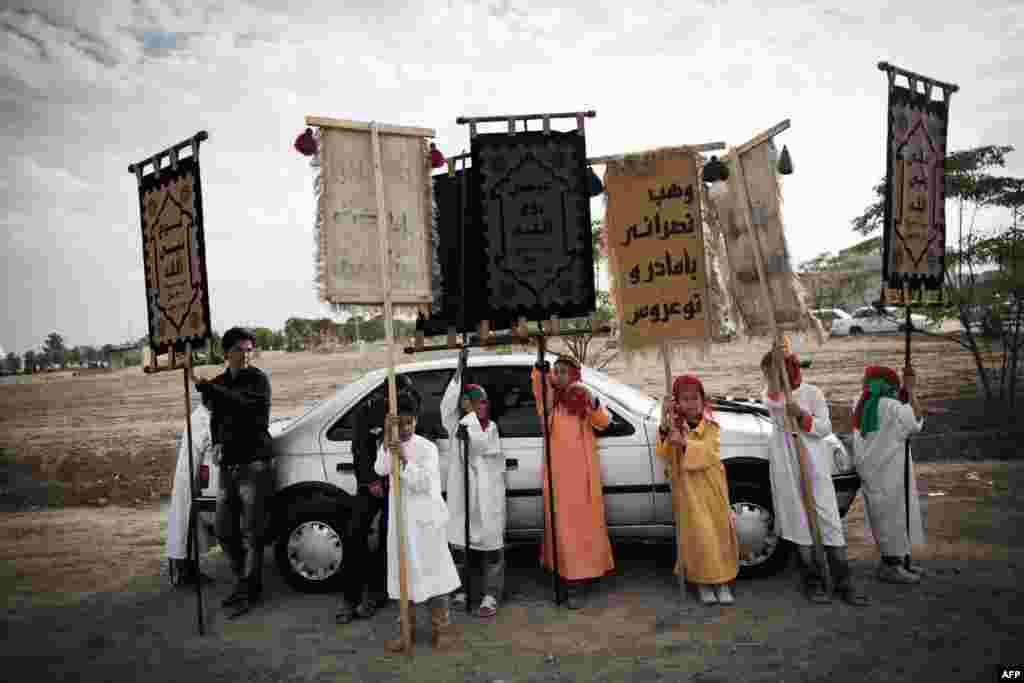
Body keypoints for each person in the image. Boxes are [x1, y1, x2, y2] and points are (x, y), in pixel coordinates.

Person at [760, 348, 868, 606]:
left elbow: (824, 427)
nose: (770, 377)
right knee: (799, 522)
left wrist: (802, 416)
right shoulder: (770, 394)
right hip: (787, 464)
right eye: (768, 373)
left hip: (814, 463)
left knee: (828, 519)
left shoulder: (813, 393)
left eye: (775, 371)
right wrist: (786, 400)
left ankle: (843, 581)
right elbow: (773, 400)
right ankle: (813, 580)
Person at [193, 327, 273, 619]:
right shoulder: (219, 383)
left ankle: (251, 591)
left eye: (251, 348)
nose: (247, 354)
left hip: (254, 463)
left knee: (253, 533)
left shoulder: (258, 380)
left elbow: (248, 409)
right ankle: (243, 581)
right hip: (228, 466)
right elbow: (216, 417)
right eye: (240, 349)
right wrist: (215, 443)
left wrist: (211, 389)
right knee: (225, 531)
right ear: (226, 353)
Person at [376, 390, 462, 653]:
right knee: (404, 576)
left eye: (409, 423)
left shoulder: (428, 448)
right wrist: (387, 445)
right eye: (398, 423)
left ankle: (443, 629)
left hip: (425, 521)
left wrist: (402, 459)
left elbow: (423, 482)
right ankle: (406, 632)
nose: (404, 428)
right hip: (401, 523)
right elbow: (380, 469)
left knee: (433, 573)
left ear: (416, 421)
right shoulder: (388, 443)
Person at [531, 355, 614, 609]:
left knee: (583, 531)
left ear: (574, 375)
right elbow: (539, 386)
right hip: (558, 480)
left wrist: (591, 399)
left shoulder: (580, 399)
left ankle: (580, 583)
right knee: (562, 533)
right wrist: (539, 368)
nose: (559, 376)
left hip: (583, 479)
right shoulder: (550, 403)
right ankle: (566, 580)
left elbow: (604, 422)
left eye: (564, 372)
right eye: (555, 372)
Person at [336, 374, 416, 624]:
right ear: (384, 394)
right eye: (397, 394)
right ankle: (350, 597)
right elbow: (359, 449)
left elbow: (412, 444)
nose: (402, 399)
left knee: (387, 537)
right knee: (354, 534)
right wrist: (371, 480)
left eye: (405, 395)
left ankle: (376, 594)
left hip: (398, 484)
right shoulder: (367, 412)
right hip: (370, 484)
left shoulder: (409, 408)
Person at [656, 375, 739, 606]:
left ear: (703, 400)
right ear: (677, 402)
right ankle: (702, 582)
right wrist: (665, 419)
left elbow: (709, 453)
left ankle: (721, 582)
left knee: (717, 532)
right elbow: (664, 453)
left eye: (695, 398)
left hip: (712, 487)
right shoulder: (673, 425)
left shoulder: (712, 426)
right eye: (685, 399)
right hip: (687, 489)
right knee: (698, 535)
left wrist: (684, 443)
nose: (691, 403)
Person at [440, 348, 507, 618]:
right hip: (463, 496)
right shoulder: (457, 424)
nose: (484, 406)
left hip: (487, 497)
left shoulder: (489, 428)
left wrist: (469, 416)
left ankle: (491, 595)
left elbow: (478, 446)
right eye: (478, 402)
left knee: (492, 549)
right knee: (460, 547)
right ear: (466, 403)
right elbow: (447, 404)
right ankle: (462, 591)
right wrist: (459, 368)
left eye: (485, 402)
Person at [852, 365, 927, 584]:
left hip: (871, 471)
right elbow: (915, 423)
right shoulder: (894, 406)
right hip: (892, 471)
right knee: (896, 516)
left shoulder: (859, 403)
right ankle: (891, 567)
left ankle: (899, 562)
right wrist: (911, 391)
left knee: (883, 518)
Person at [166, 390, 215, 587]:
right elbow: (202, 447)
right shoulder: (200, 420)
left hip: (192, 473)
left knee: (191, 526)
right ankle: (182, 572)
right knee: (185, 523)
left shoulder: (203, 416)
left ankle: (189, 569)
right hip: (189, 475)